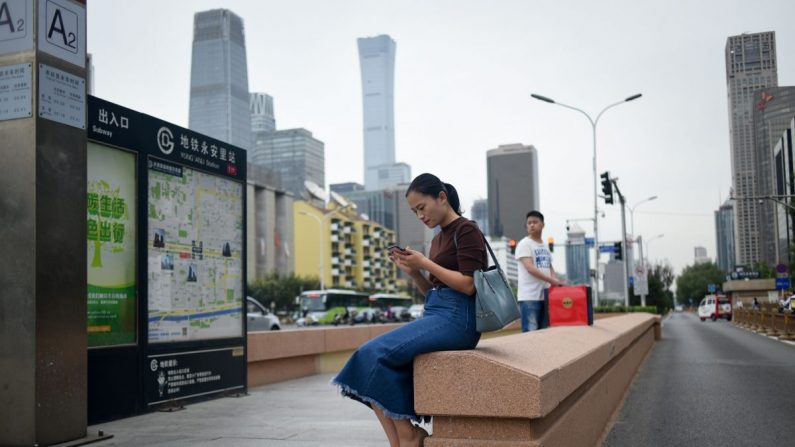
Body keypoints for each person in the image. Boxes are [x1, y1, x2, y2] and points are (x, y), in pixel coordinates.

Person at [331, 173, 486, 447]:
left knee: (373, 354)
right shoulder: (438, 239)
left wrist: (425, 263)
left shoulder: (467, 230)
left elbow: (468, 286)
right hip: (438, 313)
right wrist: (414, 273)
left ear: (441, 197)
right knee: (369, 361)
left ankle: (410, 436)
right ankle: (400, 441)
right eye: (415, 212)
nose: (420, 216)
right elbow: (433, 292)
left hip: (460, 319)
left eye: (422, 207)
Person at [515, 211, 563, 332]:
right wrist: (552, 280)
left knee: (544, 332)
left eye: (535, 222)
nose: (532, 225)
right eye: (529, 223)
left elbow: (549, 266)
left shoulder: (545, 245)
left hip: (545, 296)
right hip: (529, 297)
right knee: (531, 333)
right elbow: (530, 268)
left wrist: (554, 281)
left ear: (543, 225)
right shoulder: (524, 244)